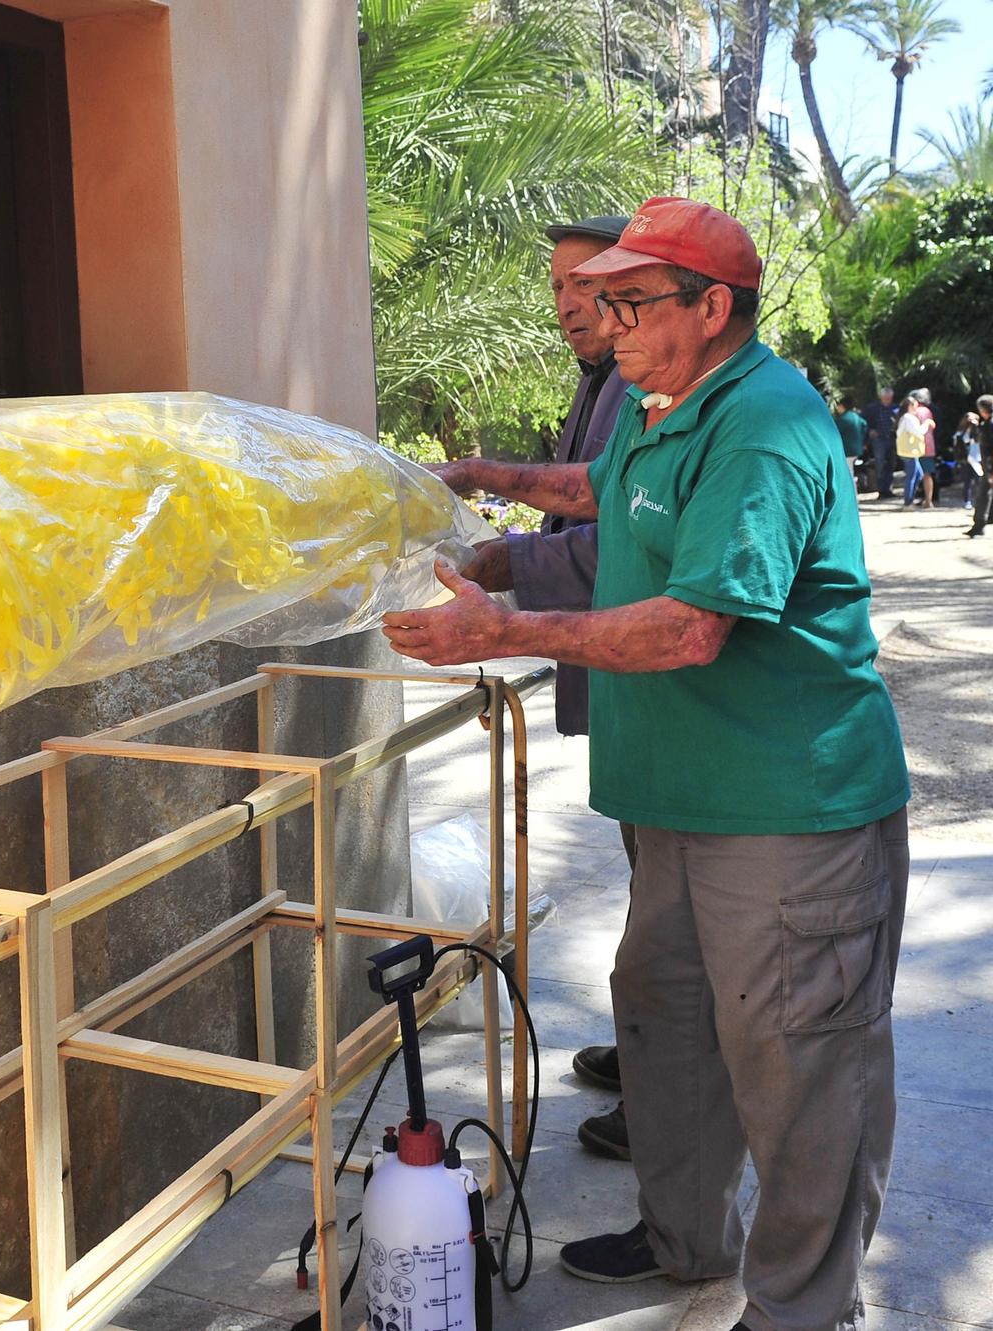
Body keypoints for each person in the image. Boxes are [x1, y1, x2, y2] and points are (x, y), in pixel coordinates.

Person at [381, 196, 910, 1331]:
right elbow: (598, 490)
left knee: (795, 1063)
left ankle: (802, 1307)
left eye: (628, 300)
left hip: (784, 808)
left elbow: (689, 627)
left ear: (711, 306)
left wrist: (503, 631)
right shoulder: (666, 405)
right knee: (666, 1022)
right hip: (675, 801)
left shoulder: (762, 422)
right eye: (598, 300)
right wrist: (488, 495)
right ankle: (684, 1240)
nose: (603, 321)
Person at [452, 214, 638, 1162]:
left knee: (674, 910)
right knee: (658, 887)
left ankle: (668, 1091)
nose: (570, 304)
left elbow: (610, 541)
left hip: (660, 683)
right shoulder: (606, 385)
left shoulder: (662, 395)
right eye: (558, 285)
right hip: (631, 680)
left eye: (591, 284)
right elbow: (575, 494)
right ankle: (654, 1062)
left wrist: (500, 574)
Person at [862, 386, 900, 498]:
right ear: (881, 397)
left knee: (891, 464)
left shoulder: (895, 408)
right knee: (879, 465)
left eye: (889, 398)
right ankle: (881, 490)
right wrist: (870, 431)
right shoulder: (872, 408)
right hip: (879, 440)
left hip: (892, 438)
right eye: (885, 398)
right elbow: (863, 421)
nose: (887, 400)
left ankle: (888, 489)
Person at [897, 390, 931, 507]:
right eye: (915, 407)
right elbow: (919, 432)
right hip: (909, 452)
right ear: (910, 406)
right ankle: (908, 502)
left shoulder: (905, 417)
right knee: (912, 477)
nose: (917, 409)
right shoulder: (908, 418)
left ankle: (909, 500)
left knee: (917, 475)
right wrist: (927, 423)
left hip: (911, 452)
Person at [967, 395, 991, 537]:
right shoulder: (987, 424)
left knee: (983, 495)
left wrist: (989, 470)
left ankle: (979, 525)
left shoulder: (989, 425)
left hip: (989, 466)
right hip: (988, 465)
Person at [834, 397, 865, 480]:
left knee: (848, 474)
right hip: (857, 449)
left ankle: (852, 492)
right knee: (851, 472)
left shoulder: (842, 419)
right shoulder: (855, 416)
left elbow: (834, 433)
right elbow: (864, 425)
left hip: (847, 450)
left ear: (842, 406)